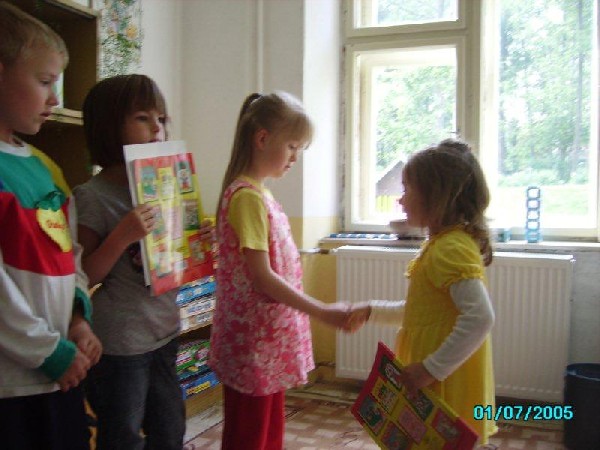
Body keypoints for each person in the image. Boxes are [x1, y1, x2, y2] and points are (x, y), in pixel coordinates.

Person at [73, 74, 214, 450]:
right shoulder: (93, 196)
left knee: (169, 430)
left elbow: (179, 264)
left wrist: (197, 243)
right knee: (122, 436)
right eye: (142, 117)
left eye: (161, 119)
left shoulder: (168, 186)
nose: (157, 128)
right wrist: (121, 236)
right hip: (120, 344)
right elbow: (82, 276)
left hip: (165, 331)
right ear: (109, 125)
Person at [209, 91, 355, 450]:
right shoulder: (246, 197)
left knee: (269, 432)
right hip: (253, 346)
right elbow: (262, 278)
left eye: (299, 149)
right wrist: (321, 310)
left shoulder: (260, 195)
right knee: (250, 437)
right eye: (292, 146)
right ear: (262, 139)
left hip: (266, 343)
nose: (295, 158)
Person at [0, 2, 102, 449]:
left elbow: (68, 257)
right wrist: (47, 351)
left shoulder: (45, 169)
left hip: (59, 372)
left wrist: (77, 319)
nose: (55, 99)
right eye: (44, 82)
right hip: (12, 386)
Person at [350, 138, 497, 444]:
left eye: (407, 190)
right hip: (435, 377)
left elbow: (480, 317)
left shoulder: (451, 248)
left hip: (444, 384)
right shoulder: (442, 245)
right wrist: (371, 311)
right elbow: (422, 312)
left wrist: (430, 369)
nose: (400, 200)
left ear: (435, 196)